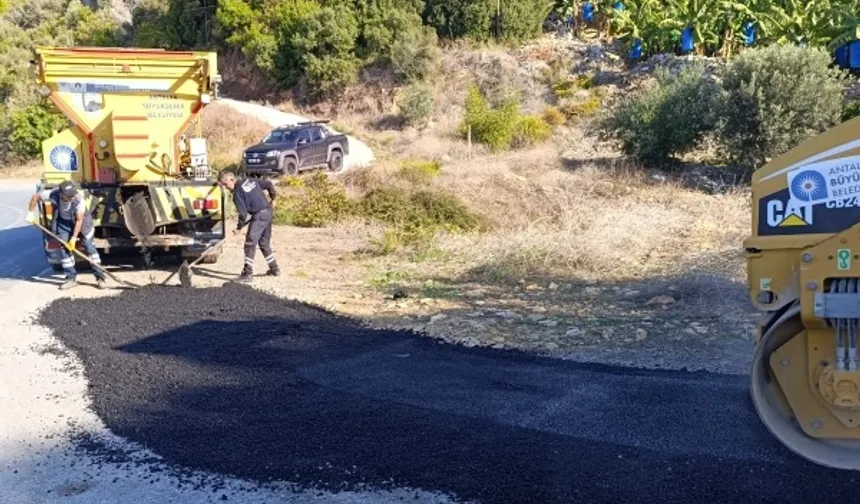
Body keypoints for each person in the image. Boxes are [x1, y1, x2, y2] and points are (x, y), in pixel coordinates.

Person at [25, 180, 106, 290]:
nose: (72, 197)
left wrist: (73, 238)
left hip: (83, 223)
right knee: (64, 250)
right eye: (69, 196)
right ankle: (71, 278)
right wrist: (30, 213)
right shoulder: (53, 194)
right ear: (61, 194)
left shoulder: (78, 199)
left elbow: (79, 220)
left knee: (89, 247)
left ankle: (100, 277)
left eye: (72, 194)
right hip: (64, 224)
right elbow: (35, 197)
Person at [217, 170, 280, 282]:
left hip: (259, 215)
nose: (226, 188)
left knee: (250, 243)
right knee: (264, 243)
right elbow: (269, 184)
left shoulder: (237, 193)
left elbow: (243, 214)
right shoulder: (250, 180)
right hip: (268, 213)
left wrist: (239, 228)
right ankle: (274, 269)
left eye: (226, 184)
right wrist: (273, 198)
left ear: (231, 179)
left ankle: (247, 273)